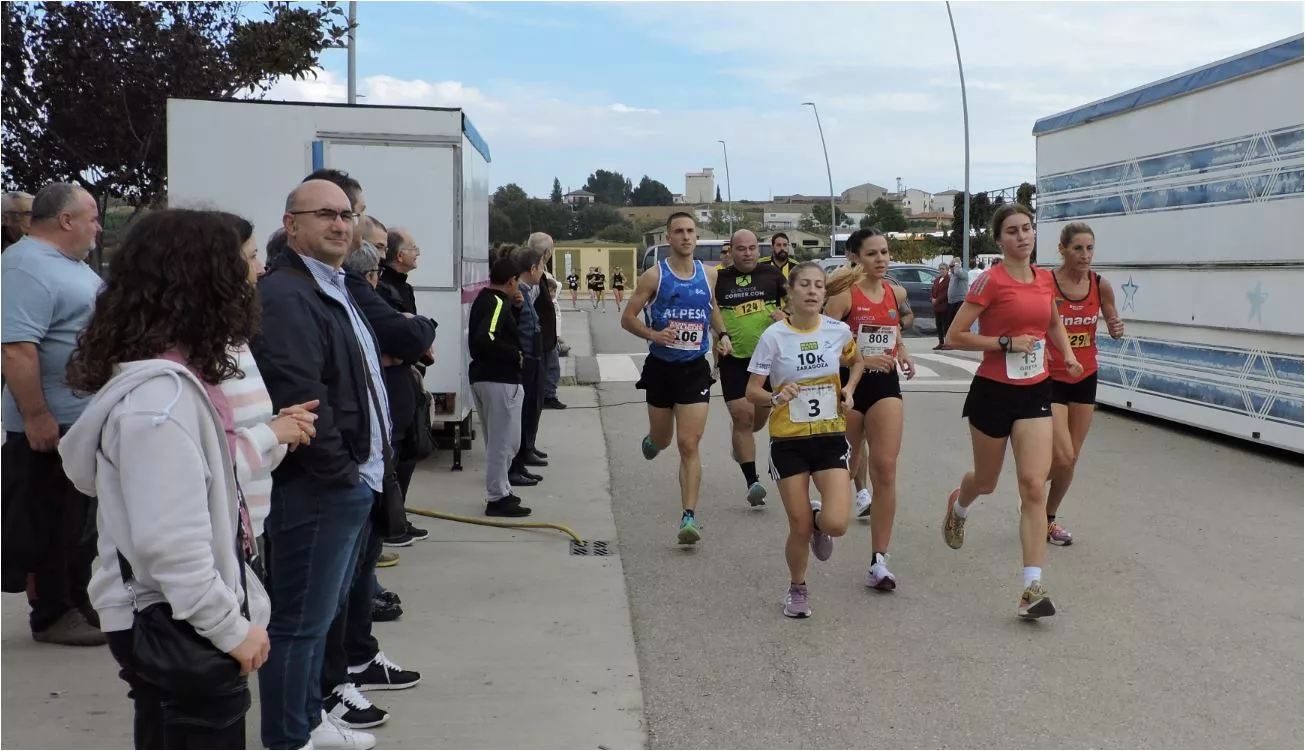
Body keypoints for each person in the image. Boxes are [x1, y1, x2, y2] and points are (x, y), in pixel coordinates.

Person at [60, 209, 284, 749]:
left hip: (179, 618)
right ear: (202, 286)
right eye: (239, 269)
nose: (251, 280)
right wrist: (232, 630)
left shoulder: (173, 387)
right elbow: (172, 548)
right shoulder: (159, 405)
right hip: (178, 624)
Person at [253, 179, 390, 750]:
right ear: (291, 225)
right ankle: (290, 738)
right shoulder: (287, 293)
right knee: (299, 624)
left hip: (345, 483)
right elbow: (303, 391)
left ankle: (309, 718)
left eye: (346, 214)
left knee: (320, 618)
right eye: (324, 215)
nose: (340, 224)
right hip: (318, 487)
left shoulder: (330, 285)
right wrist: (344, 475)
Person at [941, 203, 1082, 620]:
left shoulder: (1043, 279)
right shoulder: (990, 281)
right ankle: (959, 505)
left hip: (1035, 389)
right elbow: (955, 335)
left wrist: (1068, 355)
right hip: (992, 391)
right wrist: (1004, 343)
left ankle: (1031, 588)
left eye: (1027, 228)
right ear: (999, 239)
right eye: (1012, 231)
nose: (1022, 236)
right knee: (985, 481)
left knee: (1033, 486)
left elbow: (1053, 322)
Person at [1, 182, 105, 647]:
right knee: (52, 524)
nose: (98, 227)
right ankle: (54, 612)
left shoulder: (66, 266)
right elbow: (17, 349)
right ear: (66, 221)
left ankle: (76, 601)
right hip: (51, 427)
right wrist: (37, 415)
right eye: (92, 218)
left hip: (79, 423)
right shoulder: (26, 267)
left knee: (77, 525)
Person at [746, 261, 861, 617]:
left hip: (829, 436)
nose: (813, 291)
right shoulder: (774, 337)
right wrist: (777, 398)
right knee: (796, 526)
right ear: (790, 293)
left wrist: (850, 392)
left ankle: (818, 521)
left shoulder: (838, 331)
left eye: (819, 286)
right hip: (789, 440)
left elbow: (856, 361)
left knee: (838, 523)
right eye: (805, 285)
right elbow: (752, 391)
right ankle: (797, 588)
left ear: (825, 294)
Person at [622, 212, 728, 545]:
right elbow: (627, 318)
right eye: (679, 232)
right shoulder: (655, 276)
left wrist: (721, 333)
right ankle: (653, 440)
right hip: (661, 368)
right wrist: (653, 335)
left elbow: (711, 307)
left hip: (695, 367)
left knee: (689, 444)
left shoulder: (708, 274)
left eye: (690, 231)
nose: (685, 237)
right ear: (669, 238)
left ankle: (688, 516)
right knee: (664, 439)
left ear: (696, 237)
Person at [822, 228, 916, 589]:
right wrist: (861, 361)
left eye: (885, 253)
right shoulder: (844, 297)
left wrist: (902, 353)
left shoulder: (892, 291)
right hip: (849, 388)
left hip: (885, 387)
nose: (881, 259)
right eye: (873, 253)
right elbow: (823, 351)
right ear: (855, 257)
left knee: (886, 470)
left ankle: (879, 560)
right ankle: (822, 518)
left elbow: (892, 331)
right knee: (844, 468)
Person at [1046, 222, 1124, 546]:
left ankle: (1046, 516)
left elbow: (1111, 318)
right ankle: (1035, 496)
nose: (1085, 255)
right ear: (1062, 249)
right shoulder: (1046, 284)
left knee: (1071, 458)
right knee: (1063, 455)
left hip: (1085, 376)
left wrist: (1117, 327)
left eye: (1090, 248)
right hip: (1049, 375)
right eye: (1078, 248)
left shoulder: (1101, 285)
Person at [713, 228, 787, 507]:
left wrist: (786, 316)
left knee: (757, 422)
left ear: (759, 250)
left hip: (768, 361)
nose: (747, 253)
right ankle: (752, 481)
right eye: (741, 248)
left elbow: (796, 298)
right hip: (734, 359)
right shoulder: (718, 279)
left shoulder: (772, 276)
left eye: (752, 248)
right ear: (730, 250)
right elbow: (711, 309)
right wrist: (719, 336)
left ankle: (739, 442)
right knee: (743, 418)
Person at [469, 253, 532, 517]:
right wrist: (514, 354)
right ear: (511, 280)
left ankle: (503, 489)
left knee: (499, 440)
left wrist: (515, 309)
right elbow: (487, 336)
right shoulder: (496, 302)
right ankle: (497, 495)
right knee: (506, 442)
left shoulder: (484, 299)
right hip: (500, 378)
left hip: (483, 378)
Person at [509, 247, 548, 483]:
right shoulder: (517, 293)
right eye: (542, 267)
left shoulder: (525, 291)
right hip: (525, 358)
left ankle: (522, 458)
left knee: (530, 409)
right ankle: (515, 462)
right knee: (520, 414)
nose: (543, 272)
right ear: (532, 268)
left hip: (533, 356)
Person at [931, 262, 951, 349]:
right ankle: (941, 342)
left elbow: (946, 293)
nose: (941, 271)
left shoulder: (949, 280)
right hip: (936, 306)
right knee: (938, 324)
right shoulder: (937, 280)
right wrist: (932, 298)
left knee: (945, 324)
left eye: (943, 269)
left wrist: (937, 300)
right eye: (940, 269)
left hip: (944, 305)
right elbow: (932, 290)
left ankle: (948, 343)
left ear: (947, 270)